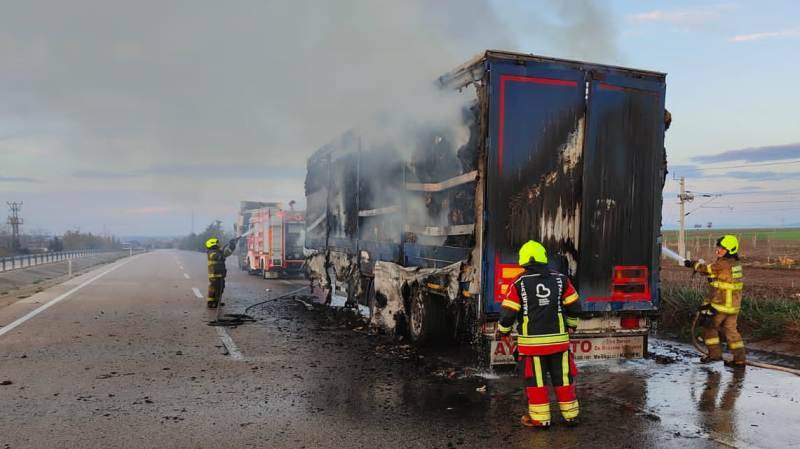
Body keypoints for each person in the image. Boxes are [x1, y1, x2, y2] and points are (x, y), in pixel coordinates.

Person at [497, 240, 582, 428]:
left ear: (524, 260)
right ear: (544, 259)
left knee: (536, 382)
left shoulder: (519, 283)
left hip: (533, 347)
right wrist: (571, 325)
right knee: (563, 379)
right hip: (559, 345)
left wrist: (503, 331)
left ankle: (541, 419)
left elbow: (508, 314)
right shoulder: (561, 279)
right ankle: (571, 416)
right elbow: (575, 307)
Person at [684, 235, 745, 367]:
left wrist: (693, 264)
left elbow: (707, 269)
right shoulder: (735, 263)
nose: (718, 250)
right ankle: (740, 360)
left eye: (722, 248)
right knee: (732, 332)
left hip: (721, 304)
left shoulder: (722, 263)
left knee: (709, 328)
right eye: (719, 247)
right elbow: (719, 275)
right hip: (733, 305)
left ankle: (714, 354)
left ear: (730, 250)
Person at [206, 237, 237, 309]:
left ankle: (217, 302)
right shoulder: (211, 252)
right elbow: (218, 256)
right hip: (214, 275)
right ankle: (211, 303)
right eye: (217, 243)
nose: (218, 244)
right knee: (214, 289)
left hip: (220, 274)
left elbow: (227, 253)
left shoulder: (217, 251)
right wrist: (222, 253)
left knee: (220, 288)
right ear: (212, 244)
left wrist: (232, 246)